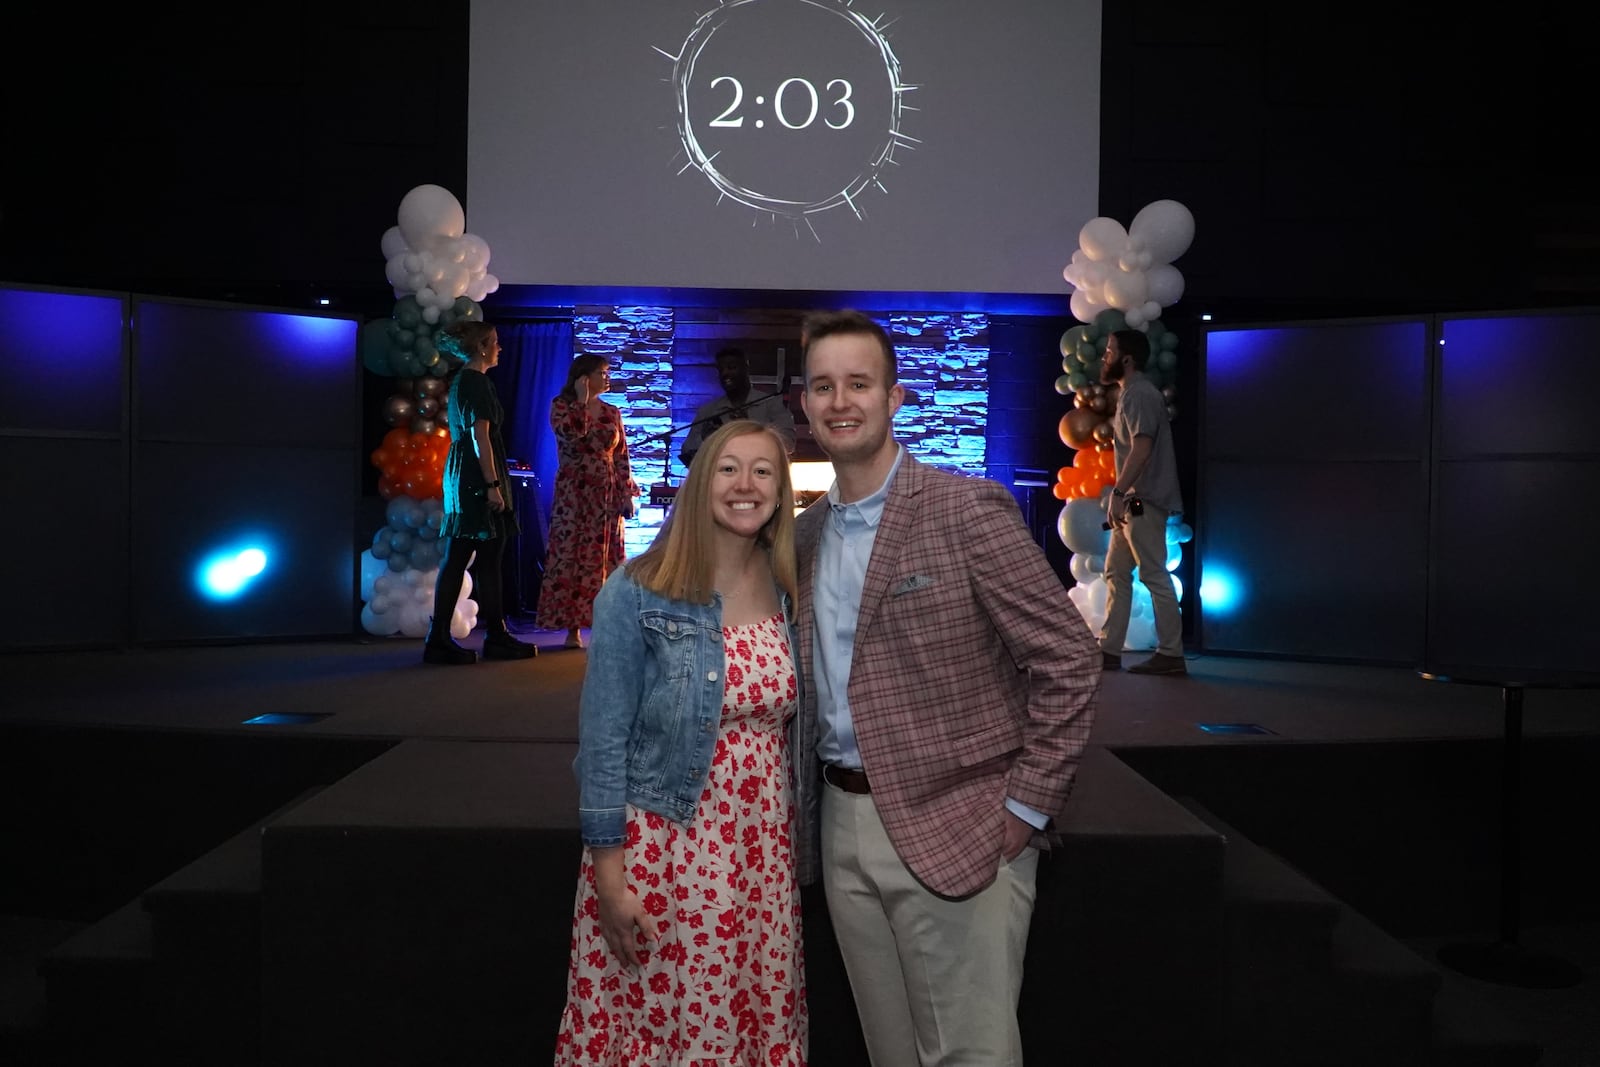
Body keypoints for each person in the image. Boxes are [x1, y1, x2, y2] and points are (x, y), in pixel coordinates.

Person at [791, 309, 1100, 1067]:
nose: (840, 401)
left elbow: (1067, 658)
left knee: (971, 1055)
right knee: (890, 1052)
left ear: (895, 397)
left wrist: (1027, 803)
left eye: (859, 383)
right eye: (824, 386)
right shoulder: (800, 538)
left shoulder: (965, 509)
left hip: (961, 821)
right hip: (839, 830)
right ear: (804, 403)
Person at [553, 419, 808, 1066]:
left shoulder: (791, 593)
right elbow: (604, 741)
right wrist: (610, 878)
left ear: (781, 493)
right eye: (728, 468)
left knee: (747, 1018)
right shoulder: (636, 591)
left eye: (763, 471)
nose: (745, 484)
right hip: (665, 850)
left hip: (760, 858)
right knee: (657, 1025)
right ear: (700, 483)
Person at [422, 321, 539, 665]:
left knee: (474, 556)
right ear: (482, 347)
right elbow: (480, 436)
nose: (500, 349)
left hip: (464, 472)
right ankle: (456, 637)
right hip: (476, 474)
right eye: (496, 343)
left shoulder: (462, 381)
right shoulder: (477, 382)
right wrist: (492, 484)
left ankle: (479, 634)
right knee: (471, 556)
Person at [1098, 328, 1186, 676]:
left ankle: (1171, 654)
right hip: (1135, 501)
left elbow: (1142, 447)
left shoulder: (1139, 395)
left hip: (1142, 500)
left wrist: (1118, 493)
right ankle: (1108, 648)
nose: (1104, 358)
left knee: (1153, 573)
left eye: (1109, 352)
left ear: (1127, 359)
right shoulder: (1132, 394)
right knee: (1116, 572)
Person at [541, 356, 638, 650]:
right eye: (602, 372)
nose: (607, 377)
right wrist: (581, 402)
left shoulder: (612, 412)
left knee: (605, 558)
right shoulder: (562, 406)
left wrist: (626, 493)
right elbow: (571, 435)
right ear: (584, 376)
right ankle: (572, 628)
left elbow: (621, 456)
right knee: (572, 555)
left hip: (605, 494)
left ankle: (606, 624)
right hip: (575, 493)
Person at [679, 346, 797, 467]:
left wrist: (749, 429)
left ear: (746, 368)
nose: (725, 373)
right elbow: (687, 453)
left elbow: (788, 443)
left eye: (732, 367)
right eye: (721, 370)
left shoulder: (771, 403)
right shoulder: (708, 411)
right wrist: (706, 440)